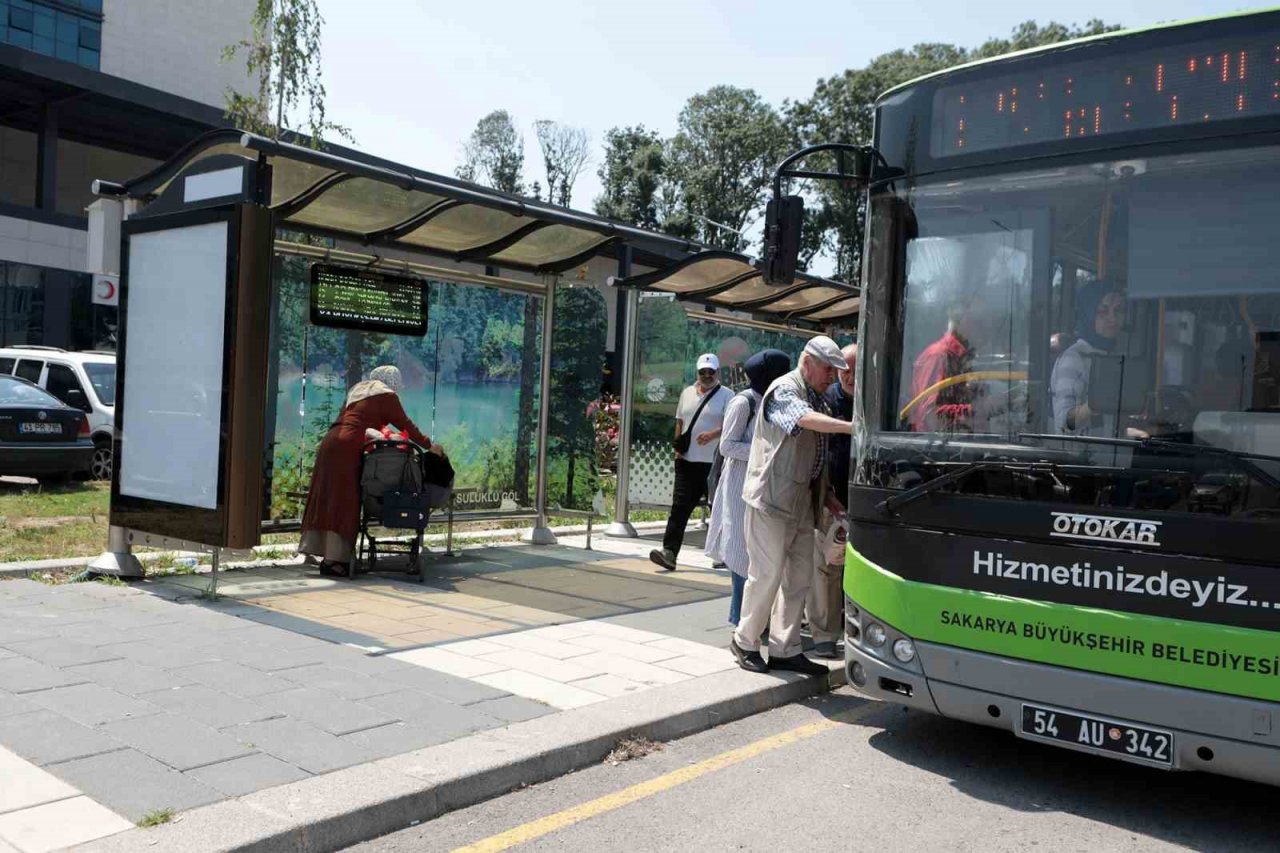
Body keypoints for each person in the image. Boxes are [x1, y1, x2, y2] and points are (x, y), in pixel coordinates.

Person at [730, 336, 852, 676]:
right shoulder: (785, 389)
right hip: (771, 499)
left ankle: (786, 649)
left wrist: (828, 498)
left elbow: (814, 457)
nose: (833, 377)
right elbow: (802, 420)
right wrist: (852, 428)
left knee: (799, 578)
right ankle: (745, 641)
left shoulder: (816, 396)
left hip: (799, 502)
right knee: (766, 575)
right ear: (808, 362)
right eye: (830, 369)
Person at [298, 365, 431, 577]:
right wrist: (430, 445)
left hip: (331, 442)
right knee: (346, 501)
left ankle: (327, 557)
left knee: (327, 497)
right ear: (392, 382)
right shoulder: (387, 396)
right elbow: (405, 424)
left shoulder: (359, 391)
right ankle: (336, 562)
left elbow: (359, 420)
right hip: (349, 447)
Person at [705, 349, 792, 626]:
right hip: (740, 486)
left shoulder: (771, 400)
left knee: (758, 552)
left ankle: (754, 619)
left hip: (763, 485)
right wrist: (765, 450)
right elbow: (727, 445)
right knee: (742, 552)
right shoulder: (744, 402)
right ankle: (739, 618)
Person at [650, 353, 733, 572]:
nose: (706, 376)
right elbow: (680, 421)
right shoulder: (687, 393)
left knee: (718, 509)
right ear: (697, 372)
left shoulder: (727, 395)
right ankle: (669, 552)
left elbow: (733, 425)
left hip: (714, 463)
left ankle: (722, 553)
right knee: (679, 508)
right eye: (702, 372)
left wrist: (712, 434)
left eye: (711, 372)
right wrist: (678, 449)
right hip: (687, 461)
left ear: (717, 373)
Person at [806, 342, 856, 658]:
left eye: (855, 369)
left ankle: (854, 631)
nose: (849, 376)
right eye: (844, 369)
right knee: (827, 568)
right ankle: (824, 635)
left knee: (854, 571)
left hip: (866, 500)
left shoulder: (874, 403)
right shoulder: (825, 402)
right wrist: (825, 492)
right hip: (832, 499)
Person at [1051, 281, 1128, 435]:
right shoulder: (1074, 358)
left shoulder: (1116, 356)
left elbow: (1108, 425)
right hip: (1079, 457)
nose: (1112, 319)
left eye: (1118, 311)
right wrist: (1097, 403)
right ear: (1088, 314)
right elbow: (1064, 422)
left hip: (1110, 456)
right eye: (1102, 311)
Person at [908, 300, 978, 432]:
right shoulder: (939, 355)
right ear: (963, 320)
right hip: (934, 448)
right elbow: (930, 416)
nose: (987, 325)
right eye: (978, 320)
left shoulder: (962, 356)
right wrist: (977, 411)